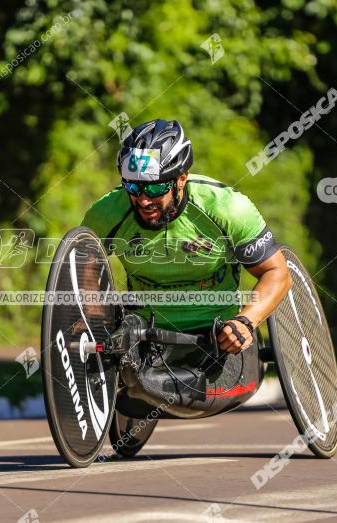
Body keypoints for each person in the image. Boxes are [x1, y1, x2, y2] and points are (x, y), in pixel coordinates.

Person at [80, 119, 292, 414]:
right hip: (148, 335)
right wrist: (93, 321)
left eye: (155, 187)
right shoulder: (106, 213)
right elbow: (84, 269)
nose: (143, 199)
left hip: (217, 340)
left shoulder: (226, 208)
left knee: (155, 391)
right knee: (135, 396)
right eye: (133, 186)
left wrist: (246, 321)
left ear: (181, 178)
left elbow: (276, 273)